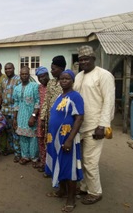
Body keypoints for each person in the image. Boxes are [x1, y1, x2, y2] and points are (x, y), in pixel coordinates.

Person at [73, 45, 115, 205]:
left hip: (95, 126)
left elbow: (109, 101)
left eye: (86, 59)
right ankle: (84, 186)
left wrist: (103, 125)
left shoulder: (104, 75)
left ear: (93, 59)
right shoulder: (79, 76)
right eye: (80, 60)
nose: (83, 62)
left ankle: (95, 192)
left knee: (90, 161)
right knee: (82, 159)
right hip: (80, 126)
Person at [45, 69, 84, 212]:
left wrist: (69, 139)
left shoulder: (76, 97)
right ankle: (61, 191)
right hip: (54, 138)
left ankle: (71, 200)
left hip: (66, 138)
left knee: (69, 167)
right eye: (62, 78)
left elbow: (79, 118)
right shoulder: (60, 96)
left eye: (67, 78)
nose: (64, 81)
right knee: (58, 162)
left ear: (72, 80)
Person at [13, 66, 39, 166]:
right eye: (22, 74)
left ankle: (34, 158)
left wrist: (33, 116)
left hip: (31, 116)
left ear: (29, 75)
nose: (24, 76)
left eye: (26, 74)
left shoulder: (34, 86)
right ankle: (25, 156)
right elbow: (16, 103)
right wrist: (15, 119)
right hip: (21, 117)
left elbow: (37, 102)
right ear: (20, 75)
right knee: (23, 137)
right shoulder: (17, 88)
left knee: (33, 137)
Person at [0, 62, 21, 160]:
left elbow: (20, 97)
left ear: (14, 68)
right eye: (6, 69)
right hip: (4, 110)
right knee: (7, 131)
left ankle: (17, 153)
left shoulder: (18, 80)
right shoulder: (3, 81)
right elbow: (0, 96)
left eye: (10, 68)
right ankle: (11, 148)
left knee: (15, 131)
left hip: (14, 110)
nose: (8, 70)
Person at [34, 66, 50, 172]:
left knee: (49, 141)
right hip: (40, 118)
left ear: (48, 75)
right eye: (39, 77)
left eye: (43, 76)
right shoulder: (39, 88)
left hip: (51, 119)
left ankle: (49, 165)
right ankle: (43, 162)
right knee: (40, 140)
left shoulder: (53, 86)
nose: (42, 79)